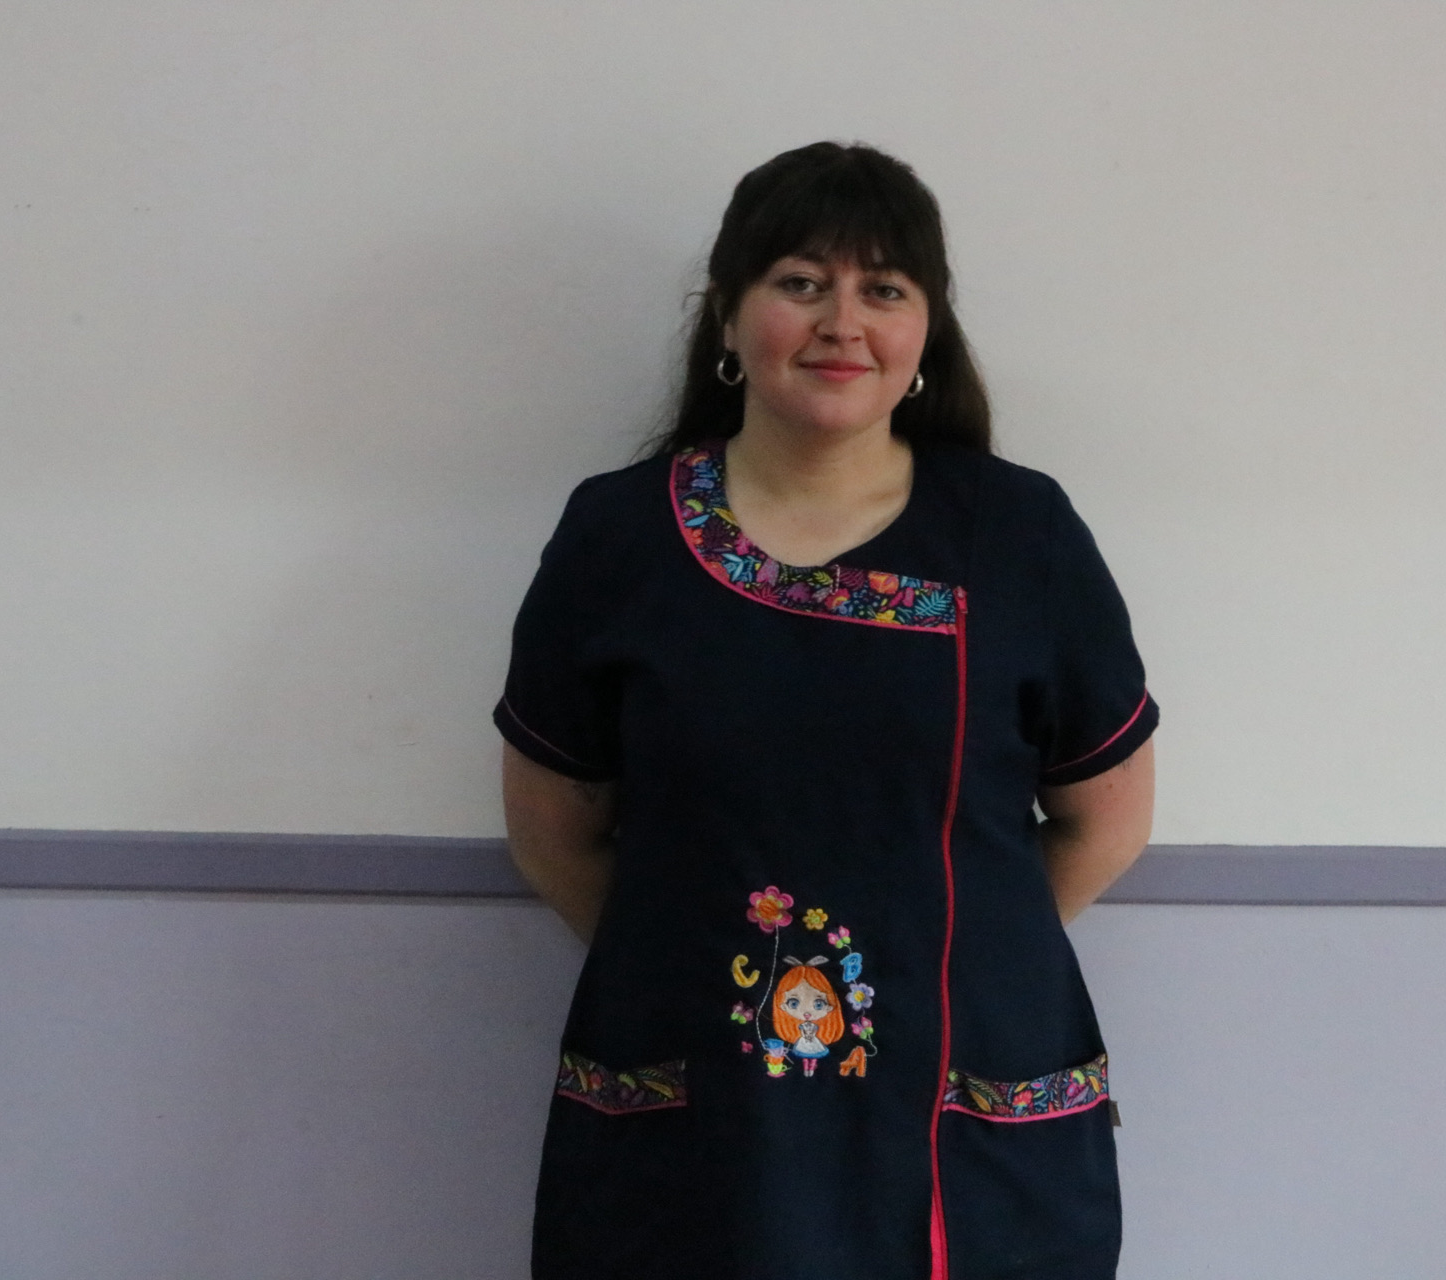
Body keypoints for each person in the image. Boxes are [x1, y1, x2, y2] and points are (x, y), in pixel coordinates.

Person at [496, 141, 1157, 1280]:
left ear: (926, 331)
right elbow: (553, 829)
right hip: (699, 1107)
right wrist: (699, 963)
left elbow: (1107, 821)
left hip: (964, 1109)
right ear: (728, 314)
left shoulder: (1020, 535)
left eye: (883, 289)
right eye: (800, 282)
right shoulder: (618, 536)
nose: (841, 323)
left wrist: (945, 955)